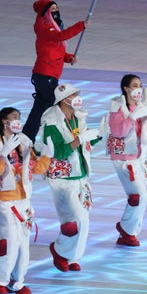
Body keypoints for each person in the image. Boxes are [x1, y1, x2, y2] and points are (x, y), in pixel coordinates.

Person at [0, 107, 52, 294]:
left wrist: (48, 155)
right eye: (13, 118)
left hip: (23, 198)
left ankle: (17, 281)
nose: (17, 121)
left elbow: (36, 168)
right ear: (4, 121)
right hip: (3, 199)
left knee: (23, 243)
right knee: (9, 240)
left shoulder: (24, 141)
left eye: (19, 118)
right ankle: (0, 280)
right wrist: (3, 154)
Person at [40, 84, 101, 272]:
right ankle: (59, 250)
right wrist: (80, 139)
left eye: (77, 94)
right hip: (62, 178)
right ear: (63, 99)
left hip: (80, 174)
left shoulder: (77, 116)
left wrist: (99, 134)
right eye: (73, 95)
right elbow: (59, 152)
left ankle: (73, 256)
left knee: (84, 220)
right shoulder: (51, 121)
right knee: (73, 219)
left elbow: (85, 142)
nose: (77, 97)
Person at [105, 74, 147, 247]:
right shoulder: (117, 107)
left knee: (140, 198)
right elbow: (118, 132)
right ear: (126, 88)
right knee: (139, 197)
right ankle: (126, 230)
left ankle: (128, 233)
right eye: (135, 85)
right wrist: (133, 116)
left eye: (140, 85)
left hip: (139, 158)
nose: (139, 89)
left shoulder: (142, 106)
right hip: (123, 159)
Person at [22, 0, 89, 142]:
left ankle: (26, 139)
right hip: (45, 75)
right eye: (52, 8)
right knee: (56, 105)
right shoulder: (45, 27)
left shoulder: (53, 29)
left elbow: (55, 52)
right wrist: (80, 26)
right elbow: (61, 36)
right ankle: (57, 138)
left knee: (39, 110)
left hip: (48, 76)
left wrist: (69, 58)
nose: (56, 11)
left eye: (57, 8)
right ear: (45, 12)